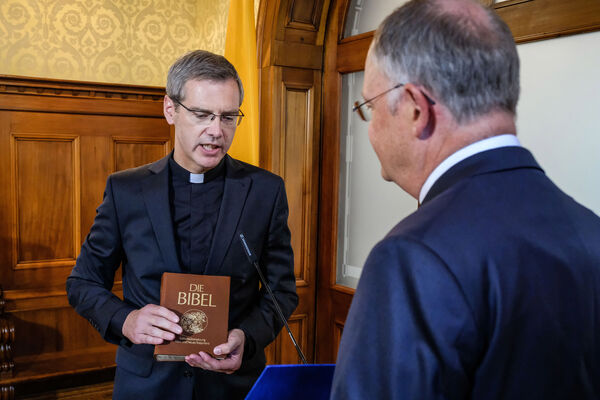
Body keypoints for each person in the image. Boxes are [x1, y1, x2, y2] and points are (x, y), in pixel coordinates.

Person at [330, 0, 600, 398]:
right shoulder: (589, 228)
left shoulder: (412, 257)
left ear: (415, 109)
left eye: (369, 107)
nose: (370, 131)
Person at [66, 50, 298, 400]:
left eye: (229, 117)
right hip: (147, 384)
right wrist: (126, 321)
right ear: (170, 110)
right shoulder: (126, 190)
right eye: (203, 115)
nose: (217, 131)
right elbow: (82, 282)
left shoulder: (265, 191)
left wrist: (246, 338)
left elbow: (282, 291)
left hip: (231, 386)